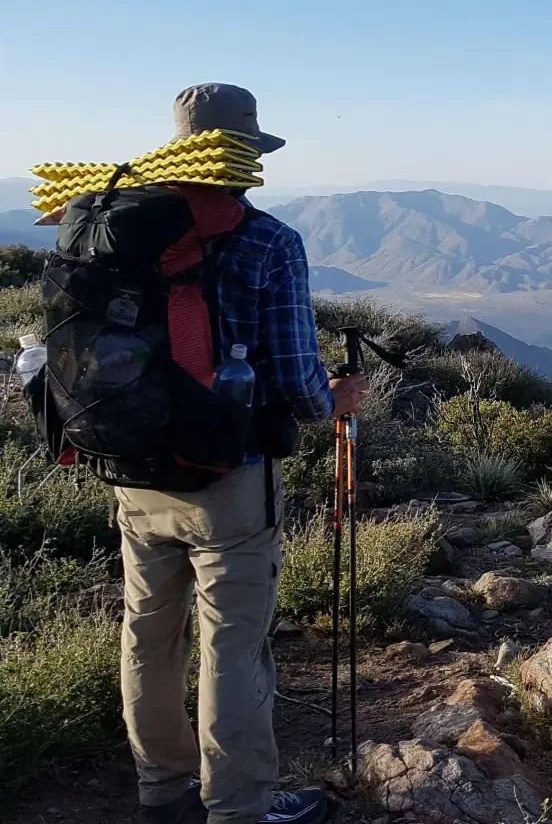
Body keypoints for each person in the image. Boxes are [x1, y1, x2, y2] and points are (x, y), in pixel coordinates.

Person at [124, 84, 368, 824]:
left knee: (149, 633)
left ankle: (162, 791)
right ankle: (239, 809)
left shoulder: (118, 225)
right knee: (232, 645)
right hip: (228, 475)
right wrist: (335, 401)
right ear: (245, 153)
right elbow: (296, 380)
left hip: (132, 465)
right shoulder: (267, 240)